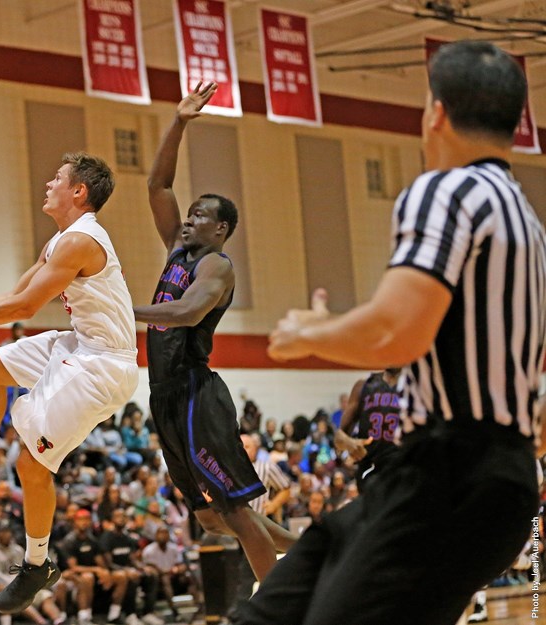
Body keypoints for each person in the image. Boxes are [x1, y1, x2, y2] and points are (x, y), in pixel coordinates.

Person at [234, 41, 546, 625]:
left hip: (452, 473)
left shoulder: (445, 190)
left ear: (436, 113)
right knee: (269, 612)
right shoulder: (526, 223)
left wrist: (310, 334)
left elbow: (395, 334)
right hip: (475, 474)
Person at [0, 153, 139, 614]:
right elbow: (17, 295)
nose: (48, 183)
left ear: (79, 191)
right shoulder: (59, 241)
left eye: (57, 178)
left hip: (104, 365)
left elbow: (24, 310)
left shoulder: (80, 241)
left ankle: (37, 564)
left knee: (31, 464)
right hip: (81, 345)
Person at [132, 82, 296, 581]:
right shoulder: (178, 251)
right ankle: (315, 552)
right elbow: (157, 186)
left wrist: (121, 310)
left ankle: (279, 608)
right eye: (190, 213)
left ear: (220, 229)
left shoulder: (216, 267)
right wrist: (178, 122)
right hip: (164, 394)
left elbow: (185, 312)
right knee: (210, 518)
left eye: (200, 215)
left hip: (195, 394)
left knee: (237, 512)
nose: (188, 220)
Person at [335, 367, 402, 491]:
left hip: (403, 468)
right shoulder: (363, 386)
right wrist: (350, 443)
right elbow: (338, 438)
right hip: (371, 468)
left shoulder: (416, 386)